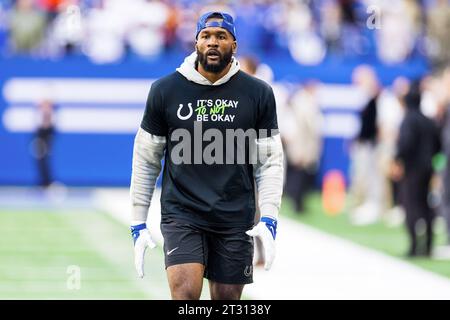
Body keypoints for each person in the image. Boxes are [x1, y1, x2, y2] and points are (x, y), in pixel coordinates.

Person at [129, 12, 284, 300]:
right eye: (206, 36)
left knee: (226, 299)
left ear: (234, 45)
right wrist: (138, 221)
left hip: (235, 215)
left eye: (221, 36)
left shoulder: (258, 93)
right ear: (196, 42)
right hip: (182, 213)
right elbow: (146, 157)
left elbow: (270, 160)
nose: (213, 42)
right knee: (185, 292)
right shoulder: (165, 90)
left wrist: (270, 217)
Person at [392, 81, 441, 257]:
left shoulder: (408, 120)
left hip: (412, 169)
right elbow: (438, 144)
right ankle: (428, 245)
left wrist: (397, 159)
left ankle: (414, 246)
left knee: (411, 206)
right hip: (428, 168)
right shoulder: (428, 121)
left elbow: (406, 144)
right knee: (426, 206)